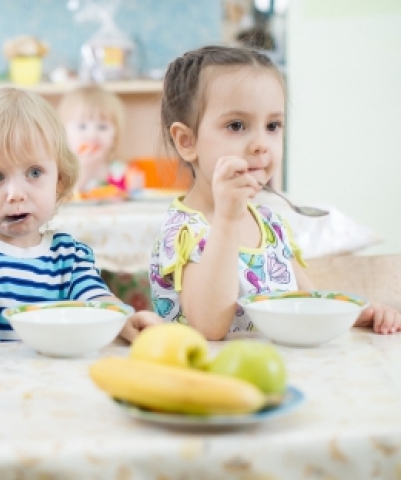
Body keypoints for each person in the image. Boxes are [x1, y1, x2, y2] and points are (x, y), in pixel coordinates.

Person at [150, 45, 401, 340]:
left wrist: (353, 314)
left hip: (272, 374)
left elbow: (307, 300)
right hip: (207, 378)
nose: (261, 143)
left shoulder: (270, 224)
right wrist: (228, 220)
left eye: (272, 125)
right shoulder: (182, 231)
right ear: (187, 141)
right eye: (236, 125)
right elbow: (208, 327)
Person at [0, 87, 161, 343]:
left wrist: (124, 318)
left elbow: (98, 300)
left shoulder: (70, 256)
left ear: (59, 181)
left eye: (34, 173)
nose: (16, 194)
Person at [57, 84, 133, 199]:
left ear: (115, 136)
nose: (92, 135)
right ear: (63, 133)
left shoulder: (120, 170)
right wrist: (84, 173)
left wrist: (135, 189)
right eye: (82, 126)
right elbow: (61, 202)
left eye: (102, 127)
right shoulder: (61, 170)